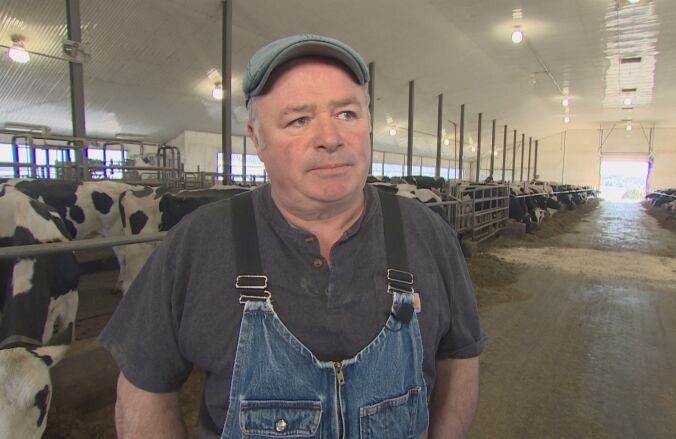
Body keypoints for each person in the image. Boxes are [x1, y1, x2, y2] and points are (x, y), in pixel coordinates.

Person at [100, 34, 485, 439]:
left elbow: (459, 358)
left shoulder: (427, 233)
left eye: (347, 114)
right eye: (298, 120)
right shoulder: (197, 243)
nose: (330, 137)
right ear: (257, 139)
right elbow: (145, 390)